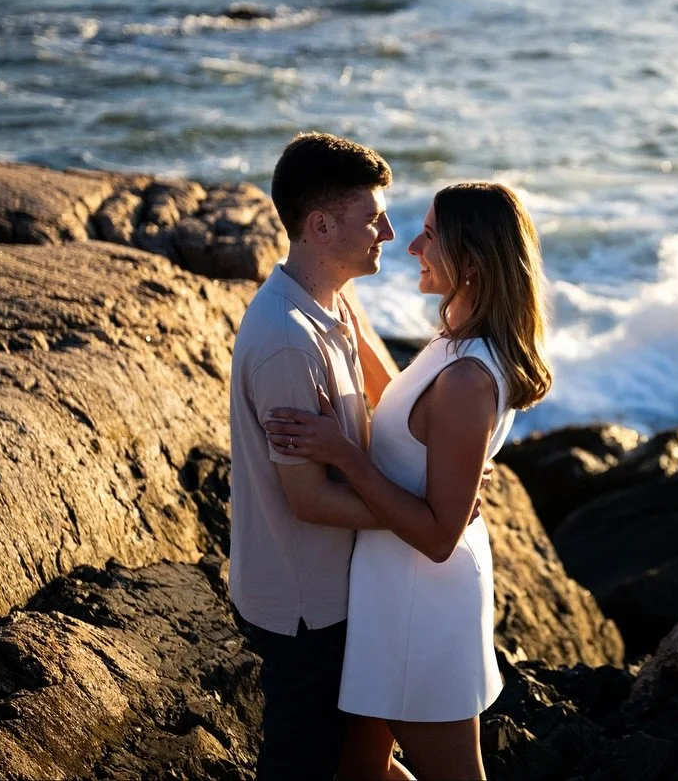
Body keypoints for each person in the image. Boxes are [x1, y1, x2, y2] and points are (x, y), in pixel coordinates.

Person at [263, 181, 553, 780]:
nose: (412, 244)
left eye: (430, 235)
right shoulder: (458, 344)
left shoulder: (470, 377)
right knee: (359, 767)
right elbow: (397, 400)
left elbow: (439, 533)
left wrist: (344, 455)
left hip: (424, 595)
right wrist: (336, 305)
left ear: (470, 261)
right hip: (392, 589)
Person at [228, 131, 412, 781]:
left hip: (337, 590)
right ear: (321, 224)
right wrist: (419, 514)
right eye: (373, 216)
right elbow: (306, 500)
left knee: (362, 759)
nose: (388, 231)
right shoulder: (286, 342)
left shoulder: (330, 302)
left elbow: (388, 395)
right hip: (305, 604)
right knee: (304, 763)